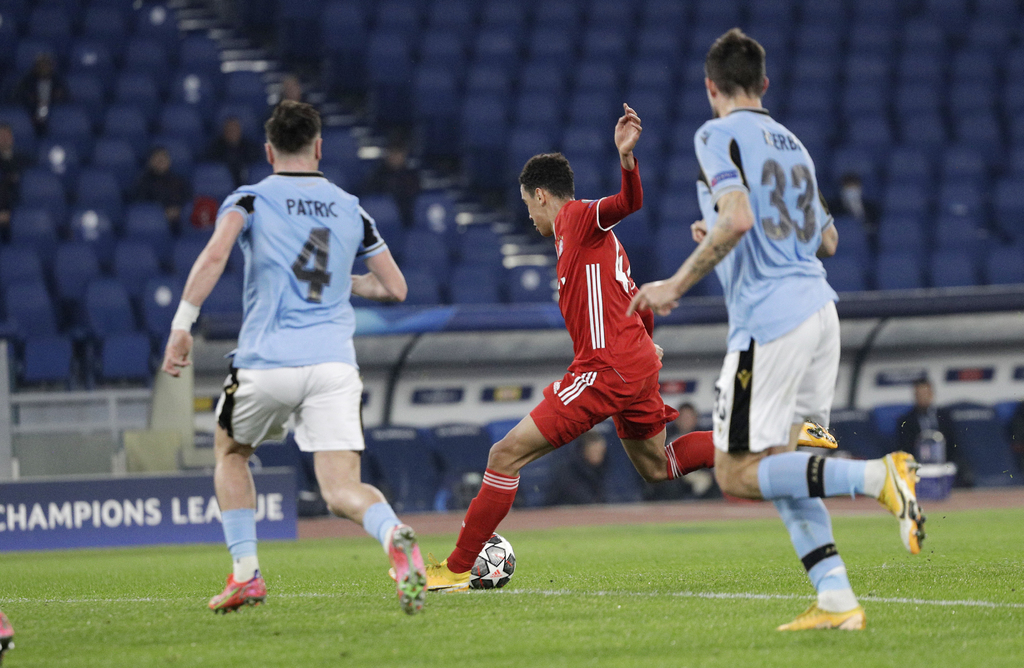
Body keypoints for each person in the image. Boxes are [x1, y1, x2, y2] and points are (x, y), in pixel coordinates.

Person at [628, 29, 925, 632]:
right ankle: (837, 599)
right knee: (786, 458)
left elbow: (736, 217)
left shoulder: (716, 134)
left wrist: (673, 286)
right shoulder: (794, 146)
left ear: (711, 87)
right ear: (764, 84)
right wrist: (721, 233)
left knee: (735, 472)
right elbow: (829, 239)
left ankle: (877, 475)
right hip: (820, 311)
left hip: (771, 322)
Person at [161, 101, 427, 615]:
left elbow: (215, 254)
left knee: (231, 453)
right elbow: (395, 288)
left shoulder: (251, 199)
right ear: (319, 147)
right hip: (333, 364)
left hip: (267, 361)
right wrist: (343, 282)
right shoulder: (351, 207)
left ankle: (246, 576)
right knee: (341, 488)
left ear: (269, 150)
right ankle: (393, 532)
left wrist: (181, 326)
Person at [897, 378, 973, 487]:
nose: (923, 397)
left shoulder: (944, 416)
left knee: (963, 468)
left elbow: (954, 442)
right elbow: (905, 447)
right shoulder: (906, 420)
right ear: (915, 396)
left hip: (944, 461)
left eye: (925, 394)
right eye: (919, 394)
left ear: (931, 394)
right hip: (918, 463)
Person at [361, 135, 420, 226]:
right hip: (380, 221)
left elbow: (414, 202)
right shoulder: (378, 175)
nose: (395, 157)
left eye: (398, 153)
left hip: (406, 221)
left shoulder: (411, 176)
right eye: (392, 152)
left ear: (404, 154)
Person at [544, 429, 608, 506]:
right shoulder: (567, 471)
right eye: (594, 451)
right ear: (583, 451)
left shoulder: (602, 468)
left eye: (601, 452)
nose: (598, 456)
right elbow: (580, 497)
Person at [135, 147, 191, 227]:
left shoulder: (180, 181)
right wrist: (162, 214)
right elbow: (142, 205)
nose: (161, 160)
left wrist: (178, 211)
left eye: (164, 157)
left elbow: (188, 201)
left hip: (179, 221)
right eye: (157, 158)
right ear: (150, 161)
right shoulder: (143, 183)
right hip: (153, 223)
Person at [15, 53, 66, 134]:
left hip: (53, 116)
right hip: (31, 116)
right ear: (36, 67)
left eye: (46, 65)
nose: (44, 68)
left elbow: (65, 99)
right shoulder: (27, 82)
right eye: (41, 65)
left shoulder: (58, 82)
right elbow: (19, 98)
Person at [206, 116, 263, 188]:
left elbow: (256, 165)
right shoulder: (215, 149)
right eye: (229, 129)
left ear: (240, 130)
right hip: (223, 186)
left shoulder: (251, 148)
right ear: (224, 131)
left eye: (235, 129)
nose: (232, 132)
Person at [828, 172, 880, 250]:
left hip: (864, 245)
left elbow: (874, 228)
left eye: (854, 186)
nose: (851, 190)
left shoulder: (871, 208)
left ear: (860, 188)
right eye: (848, 187)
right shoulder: (832, 207)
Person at [0, 123, 32, 241]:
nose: (4, 138)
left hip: (21, 211)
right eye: (1, 135)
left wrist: (14, 215)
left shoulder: (25, 161)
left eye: (7, 135)